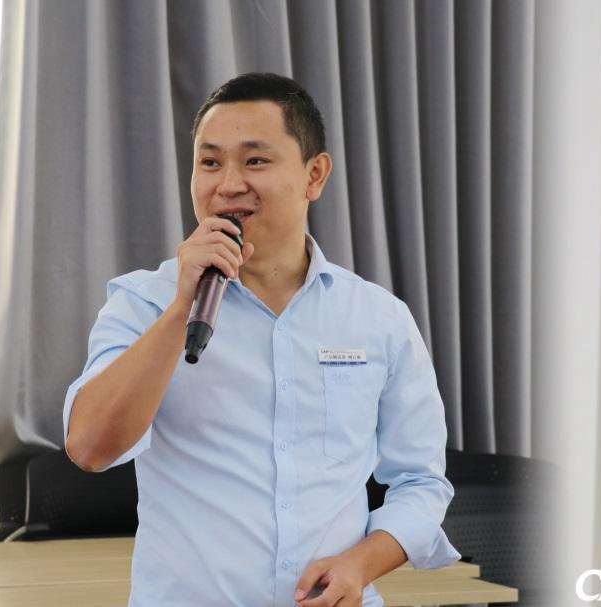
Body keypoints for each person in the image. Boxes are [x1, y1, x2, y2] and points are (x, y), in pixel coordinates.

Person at [63, 73, 459, 607]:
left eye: (254, 161)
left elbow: (421, 482)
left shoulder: (378, 317)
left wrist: (359, 566)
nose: (228, 184)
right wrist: (181, 309)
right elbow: (90, 448)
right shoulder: (143, 303)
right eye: (209, 162)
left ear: (315, 175)